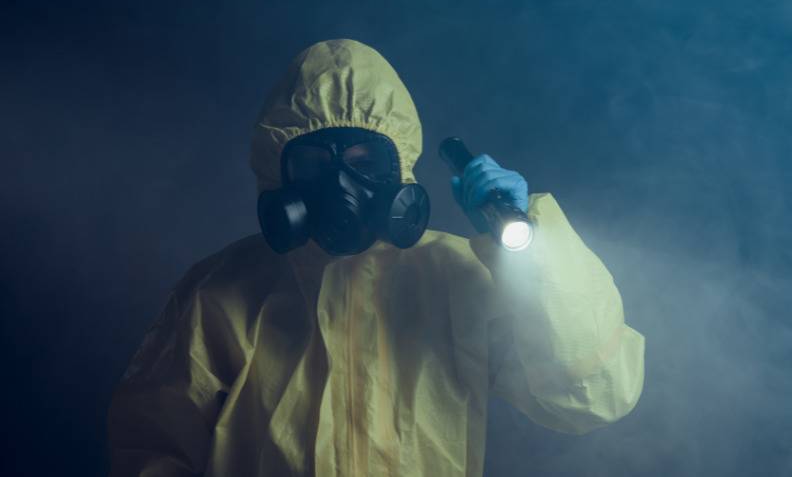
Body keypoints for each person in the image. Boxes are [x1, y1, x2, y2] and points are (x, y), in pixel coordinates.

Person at [107, 39, 645, 477]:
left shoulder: (459, 278)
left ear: (400, 168)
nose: (343, 187)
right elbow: (151, 448)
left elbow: (591, 396)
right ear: (280, 172)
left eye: (366, 160)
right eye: (317, 164)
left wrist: (532, 251)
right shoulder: (222, 293)